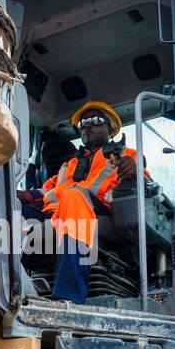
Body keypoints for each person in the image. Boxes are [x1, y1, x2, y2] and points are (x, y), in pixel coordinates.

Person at [17, 101, 144, 304]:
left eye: (95, 120)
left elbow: (144, 182)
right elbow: (48, 190)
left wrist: (134, 171)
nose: (87, 125)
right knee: (10, 211)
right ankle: (8, 290)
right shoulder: (69, 163)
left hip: (95, 211)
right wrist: (27, 195)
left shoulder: (127, 156)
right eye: (83, 122)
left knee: (73, 196)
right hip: (55, 214)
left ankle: (68, 297)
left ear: (110, 127)